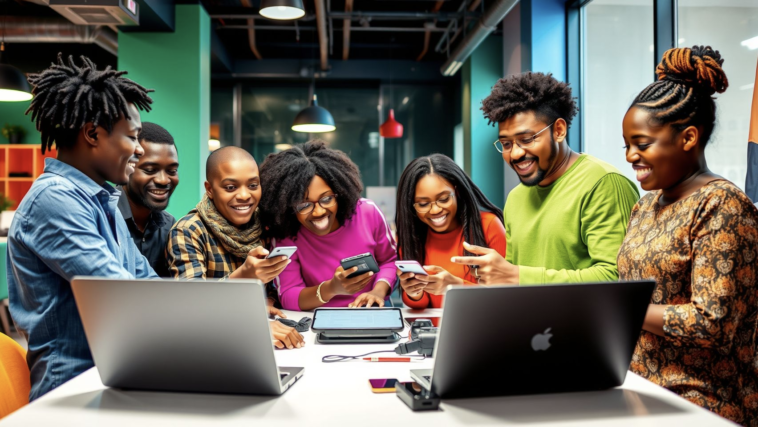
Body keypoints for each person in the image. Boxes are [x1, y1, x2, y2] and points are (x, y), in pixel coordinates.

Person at [617, 46, 758, 426]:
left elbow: (713, 322)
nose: (630, 156)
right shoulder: (645, 206)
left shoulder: (723, 206)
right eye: (626, 145)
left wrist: (617, 312)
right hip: (639, 388)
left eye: (642, 144)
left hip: (703, 403)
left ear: (688, 137)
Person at [7, 54, 156, 400]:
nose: (139, 149)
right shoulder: (54, 201)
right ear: (92, 134)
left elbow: (148, 286)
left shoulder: (102, 202)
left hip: (113, 377)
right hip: (74, 392)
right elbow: (121, 296)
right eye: (132, 137)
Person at [451, 72, 639, 285]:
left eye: (527, 139)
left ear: (558, 130)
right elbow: (513, 280)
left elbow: (616, 279)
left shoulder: (604, 183)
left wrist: (518, 275)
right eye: (506, 144)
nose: (515, 154)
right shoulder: (516, 198)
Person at [166, 146, 304, 350]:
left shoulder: (265, 224)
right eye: (230, 187)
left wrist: (267, 300)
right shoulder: (188, 231)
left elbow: (275, 285)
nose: (244, 196)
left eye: (253, 185)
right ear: (210, 189)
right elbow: (190, 305)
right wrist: (244, 277)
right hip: (209, 346)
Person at [259, 140, 398, 311]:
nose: (318, 212)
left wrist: (378, 292)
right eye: (304, 205)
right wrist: (331, 288)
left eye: (326, 199)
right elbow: (288, 294)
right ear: (287, 206)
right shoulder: (286, 234)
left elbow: (389, 261)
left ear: (339, 193)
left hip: (372, 311)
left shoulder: (368, 213)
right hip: (315, 319)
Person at [395, 154, 505, 308]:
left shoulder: (488, 225)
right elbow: (420, 305)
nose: (435, 210)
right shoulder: (410, 236)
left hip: (482, 329)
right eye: (423, 204)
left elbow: (505, 299)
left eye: (444, 199)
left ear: (457, 191)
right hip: (433, 332)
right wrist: (414, 292)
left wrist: (455, 287)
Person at [117, 122, 178, 277]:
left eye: (172, 171)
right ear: (126, 167)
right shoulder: (103, 215)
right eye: (150, 170)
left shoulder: (170, 226)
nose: (164, 180)